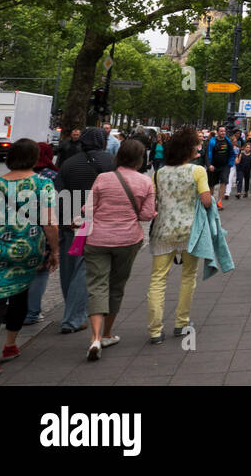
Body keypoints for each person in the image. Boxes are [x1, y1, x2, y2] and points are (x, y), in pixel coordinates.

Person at [0, 139, 60, 376]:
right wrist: (55, 250)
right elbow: (50, 222)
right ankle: (10, 344)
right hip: (28, 250)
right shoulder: (43, 183)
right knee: (21, 294)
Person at [82, 138, 155, 361]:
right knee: (117, 285)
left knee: (97, 285)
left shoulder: (103, 178)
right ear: (140, 159)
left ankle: (94, 337)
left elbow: (88, 209)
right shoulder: (145, 182)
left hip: (97, 239)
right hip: (127, 240)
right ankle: (107, 333)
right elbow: (145, 215)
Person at [147, 126, 213, 344]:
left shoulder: (159, 173)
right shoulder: (197, 171)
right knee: (188, 276)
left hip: (163, 230)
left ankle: (155, 330)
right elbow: (206, 200)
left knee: (158, 279)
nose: (199, 147)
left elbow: (153, 203)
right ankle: (181, 321)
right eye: (197, 143)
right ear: (189, 148)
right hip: (190, 231)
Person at [56, 127, 114, 334]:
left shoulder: (69, 162)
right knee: (84, 268)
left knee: (68, 265)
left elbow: (59, 189)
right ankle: (73, 317)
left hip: (68, 216)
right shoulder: (108, 161)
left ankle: (71, 309)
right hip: (92, 218)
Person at [23, 142, 61, 325]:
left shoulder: (11, 178)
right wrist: (56, 248)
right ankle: (32, 312)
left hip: (13, 234)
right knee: (40, 273)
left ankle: (12, 308)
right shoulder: (51, 177)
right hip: (39, 235)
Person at [205, 126, 234, 210]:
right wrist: (209, 165)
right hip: (213, 166)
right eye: (221, 131)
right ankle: (210, 201)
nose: (223, 133)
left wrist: (230, 163)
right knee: (211, 184)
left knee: (224, 182)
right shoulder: (212, 141)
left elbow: (231, 152)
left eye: (224, 131)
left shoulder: (227, 141)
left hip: (225, 166)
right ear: (217, 132)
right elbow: (207, 154)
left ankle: (219, 201)